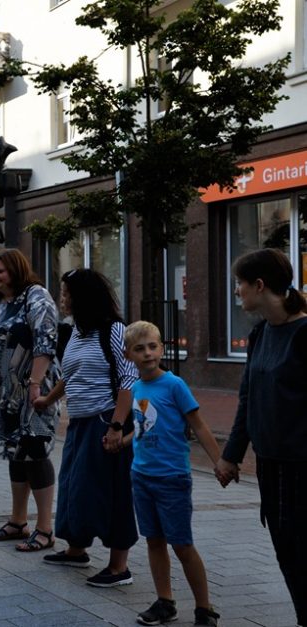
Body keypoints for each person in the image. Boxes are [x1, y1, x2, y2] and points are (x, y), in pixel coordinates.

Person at [216, 248, 307, 626]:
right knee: (287, 553)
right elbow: (247, 399)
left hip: (302, 469)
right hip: (271, 468)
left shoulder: (304, 334)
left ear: (259, 285)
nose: (236, 291)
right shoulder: (260, 333)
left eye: (240, 283)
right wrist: (230, 455)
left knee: (302, 554)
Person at [35, 268, 138, 586]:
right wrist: (47, 399)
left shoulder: (115, 330)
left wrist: (117, 426)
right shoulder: (77, 332)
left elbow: (128, 379)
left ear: (84, 297)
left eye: (66, 293)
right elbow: (71, 375)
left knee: (112, 492)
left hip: (107, 421)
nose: (61, 299)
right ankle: (76, 550)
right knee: (75, 488)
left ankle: (119, 567)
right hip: (80, 423)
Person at [124, 321, 222, 627]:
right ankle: (165, 602)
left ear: (162, 349)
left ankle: (204, 608)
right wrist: (121, 440)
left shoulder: (174, 385)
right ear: (129, 355)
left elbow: (199, 425)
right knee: (154, 541)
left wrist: (220, 462)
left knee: (181, 543)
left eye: (152, 346)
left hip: (172, 479)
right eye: (139, 349)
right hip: (141, 476)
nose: (148, 353)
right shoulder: (135, 388)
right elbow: (143, 427)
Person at [0, 249, 60, 549]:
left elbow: (46, 343)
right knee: (15, 452)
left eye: (1, 271)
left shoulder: (36, 297)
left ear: (16, 271)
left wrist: (35, 384)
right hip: (2, 392)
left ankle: (45, 528)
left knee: (35, 450)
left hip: (33, 391)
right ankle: (18, 521)